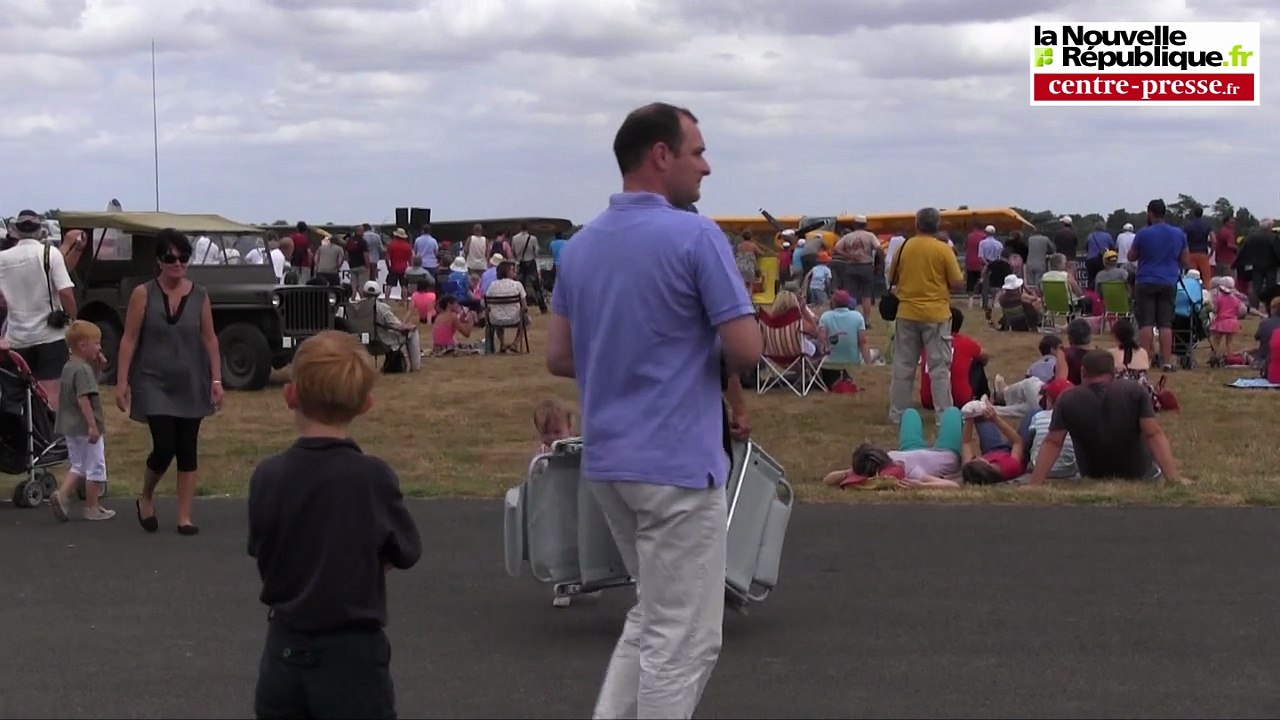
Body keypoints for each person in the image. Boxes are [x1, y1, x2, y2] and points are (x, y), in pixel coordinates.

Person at [546, 102, 761, 719]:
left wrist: (630, 352)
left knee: (651, 616)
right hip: (676, 463)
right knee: (687, 638)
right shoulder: (696, 235)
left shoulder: (581, 248)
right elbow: (744, 349)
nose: (707, 167)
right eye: (697, 152)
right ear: (660, 155)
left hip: (611, 460)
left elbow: (560, 355)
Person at [248, 330, 421, 720]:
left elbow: (261, 545)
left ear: (290, 395)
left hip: (285, 646)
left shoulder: (268, 476)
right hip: (352, 653)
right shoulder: (372, 478)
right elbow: (404, 551)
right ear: (366, 404)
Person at [115, 229, 223, 535]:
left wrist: (216, 379)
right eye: (170, 258)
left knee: (187, 448)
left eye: (184, 258)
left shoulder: (200, 295)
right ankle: (146, 495)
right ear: (159, 261)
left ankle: (184, 516)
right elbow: (129, 339)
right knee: (165, 447)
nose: (178, 264)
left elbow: (210, 338)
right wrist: (122, 382)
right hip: (153, 380)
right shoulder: (143, 293)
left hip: (191, 379)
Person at [1029, 350, 1185, 485]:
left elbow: (1053, 442)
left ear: (1083, 371)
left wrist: (1035, 483)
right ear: (1114, 371)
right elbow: (1153, 434)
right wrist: (1174, 479)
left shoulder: (1067, 398)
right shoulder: (1134, 391)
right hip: (1138, 473)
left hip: (1093, 473)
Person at [887, 207, 964, 424]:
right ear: (936, 225)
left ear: (916, 224)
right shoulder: (943, 249)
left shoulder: (904, 247)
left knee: (903, 364)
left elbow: (891, 275)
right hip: (936, 313)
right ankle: (944, 415)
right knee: (939, 367)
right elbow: (958, 282)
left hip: (906, 312)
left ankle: (898, 413)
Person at [0, 209, 77, 406]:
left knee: (15, 399)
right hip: (50, 337)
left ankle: (21, 435)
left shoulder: (2, 259)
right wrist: (72, 319)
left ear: (16, 231)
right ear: (40, 230)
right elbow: (66, 293)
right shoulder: (50, 254)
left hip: (16, 339)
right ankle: (49, 435)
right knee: (50, 399)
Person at [49, 320, 115, 522]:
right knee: (95, 466)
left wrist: (98, 365)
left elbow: (87, 385)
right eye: (96, 343)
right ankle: (92, 507)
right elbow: (84, 397)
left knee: (78, 464)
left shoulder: (70, 367)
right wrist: (92, 425)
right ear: (83, 346)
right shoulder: (83, 370)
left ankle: (62, 494)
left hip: (70, 425)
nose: (100, 347)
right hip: (85, 426)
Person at [1129, 199, 1191, 371]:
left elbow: (1131, 257)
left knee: (1146, 322)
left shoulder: (1143, 233)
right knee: (1165, 323)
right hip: (1168, 281)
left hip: (1146, 280)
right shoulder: (1178, 233)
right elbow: (1186, 260)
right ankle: (1167, 361)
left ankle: (1144, 360)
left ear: (1150, 213)